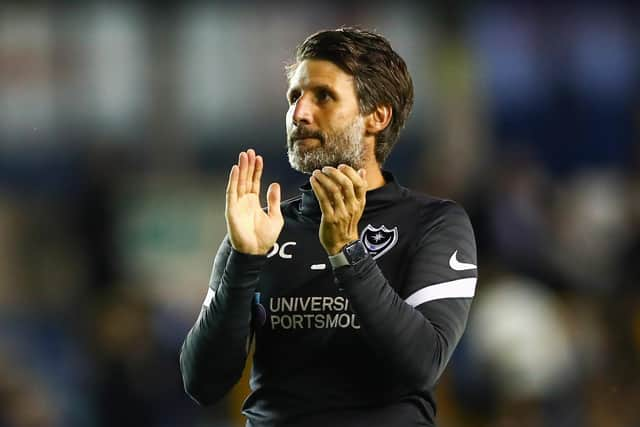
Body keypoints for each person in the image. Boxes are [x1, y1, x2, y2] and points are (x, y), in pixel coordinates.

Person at [180, 27, 477, 427]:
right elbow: (203, 382)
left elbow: (422, 365)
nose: (299, 113)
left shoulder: (434, 224)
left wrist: (349, 255)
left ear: (377, 116)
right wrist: (243, 261)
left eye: (323, 96)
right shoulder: (263, 228)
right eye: (294, 97)